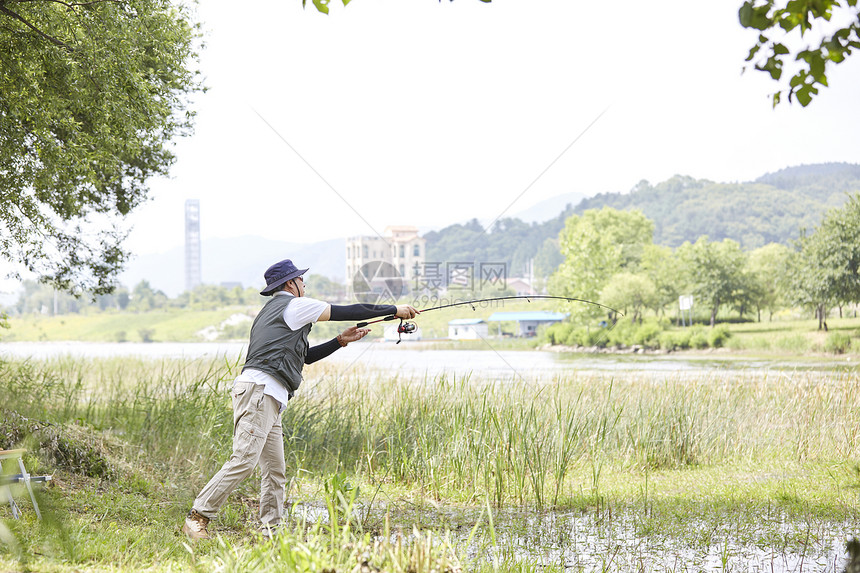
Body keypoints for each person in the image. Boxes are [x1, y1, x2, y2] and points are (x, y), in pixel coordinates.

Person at [182, 258, 417, 539]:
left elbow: (303, 356)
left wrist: (340, 341)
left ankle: (271, 532)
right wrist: (395, 310)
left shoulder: (272, 312)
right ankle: (198, 516)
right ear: (290, 284)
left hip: (269, 396)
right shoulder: (294, 305)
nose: (305, 284)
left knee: (275, 471)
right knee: (244, 459)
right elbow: (347, 310)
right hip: (260, 392)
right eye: (301, 280)